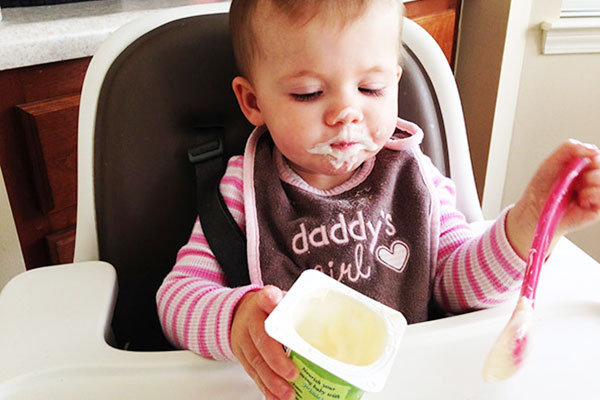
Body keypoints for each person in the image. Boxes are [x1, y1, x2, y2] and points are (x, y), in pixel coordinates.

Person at [156, 0, 600, 399]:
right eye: (309, 93)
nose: (346, 112)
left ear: (395, 82)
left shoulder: (413, 178)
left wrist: (533, 222)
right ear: (253, 101)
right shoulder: (244, 190)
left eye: (370, 88)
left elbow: (460, 285)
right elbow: (176, 299)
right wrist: (236, 318)